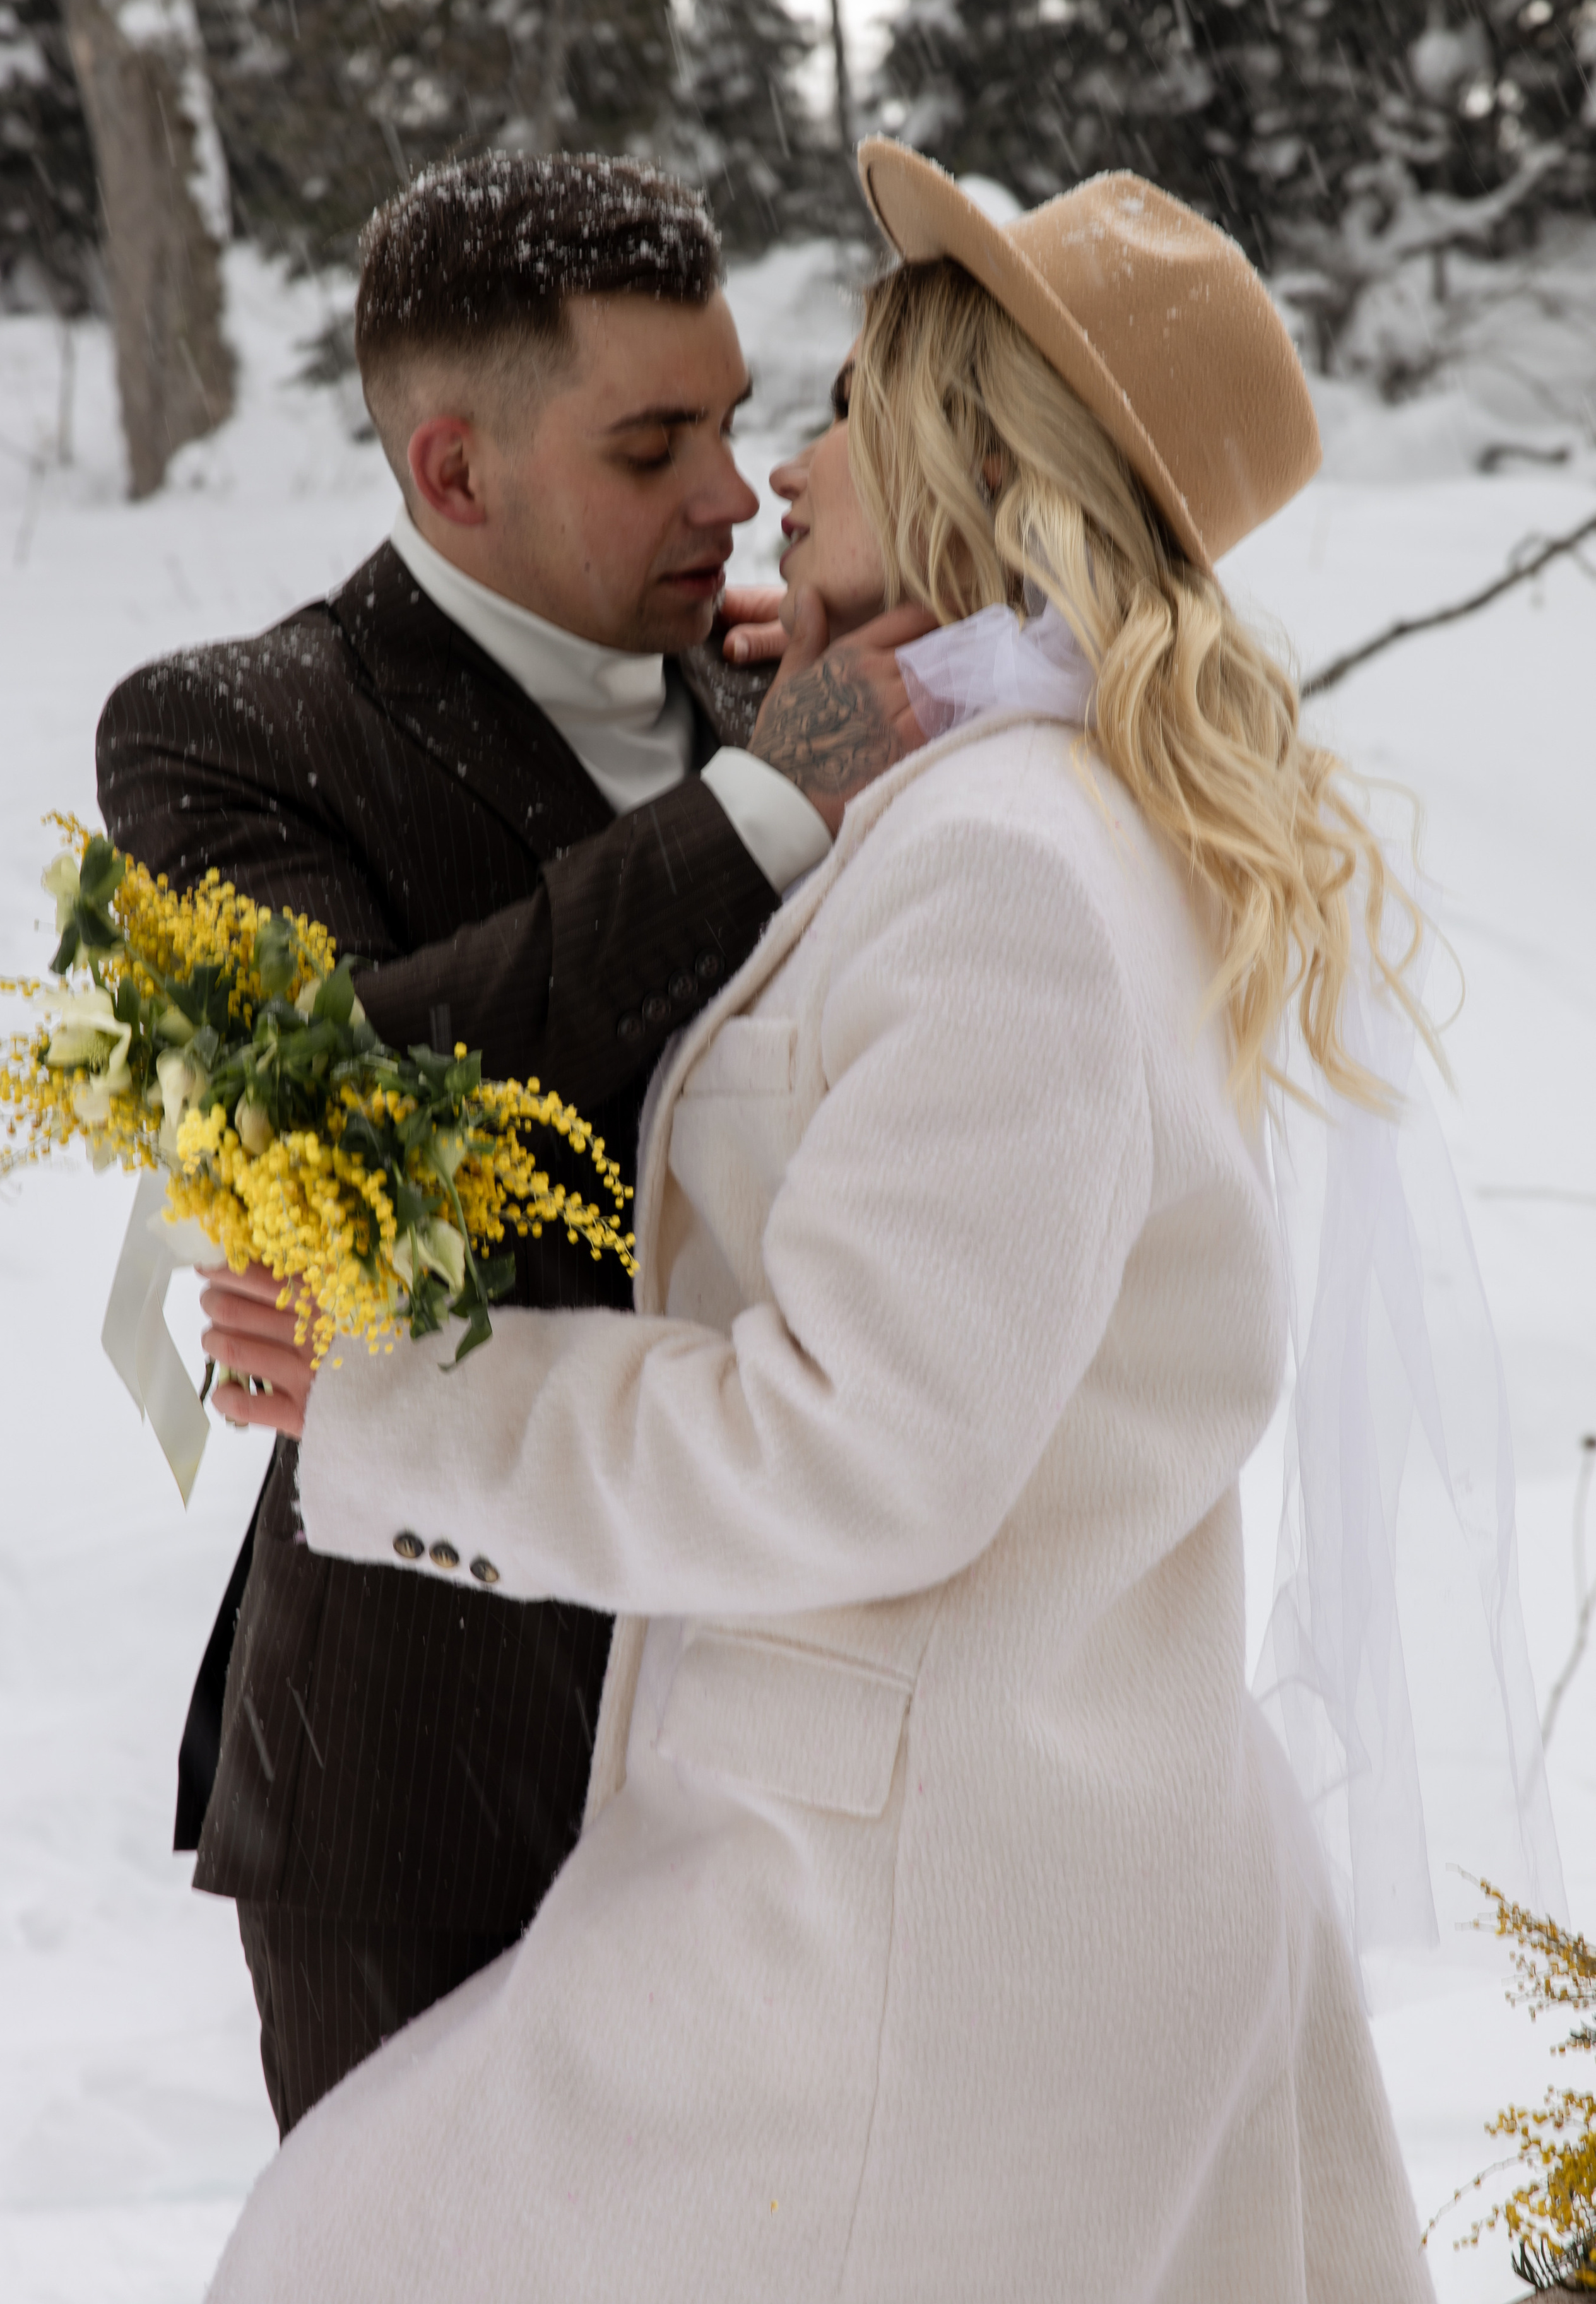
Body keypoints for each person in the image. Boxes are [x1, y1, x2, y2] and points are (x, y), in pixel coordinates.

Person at [199, 142, 1439, 2300]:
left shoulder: (1005, 869)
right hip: (935, 1844)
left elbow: (865, 1441)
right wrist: (819, 730)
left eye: (838, 409)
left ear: (970, 444)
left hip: (879, 1915)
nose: (777, 471)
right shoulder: (992, 789)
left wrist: (400, 1414)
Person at [95, 148, 927, 2137]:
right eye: (656, 445)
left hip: (792, 1756)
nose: (732, 492)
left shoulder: (781, 682)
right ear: (454, 473)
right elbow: (342, 1107)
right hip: (434, 1766)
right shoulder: (224, 735)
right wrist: (755, 820)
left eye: (735, 422)